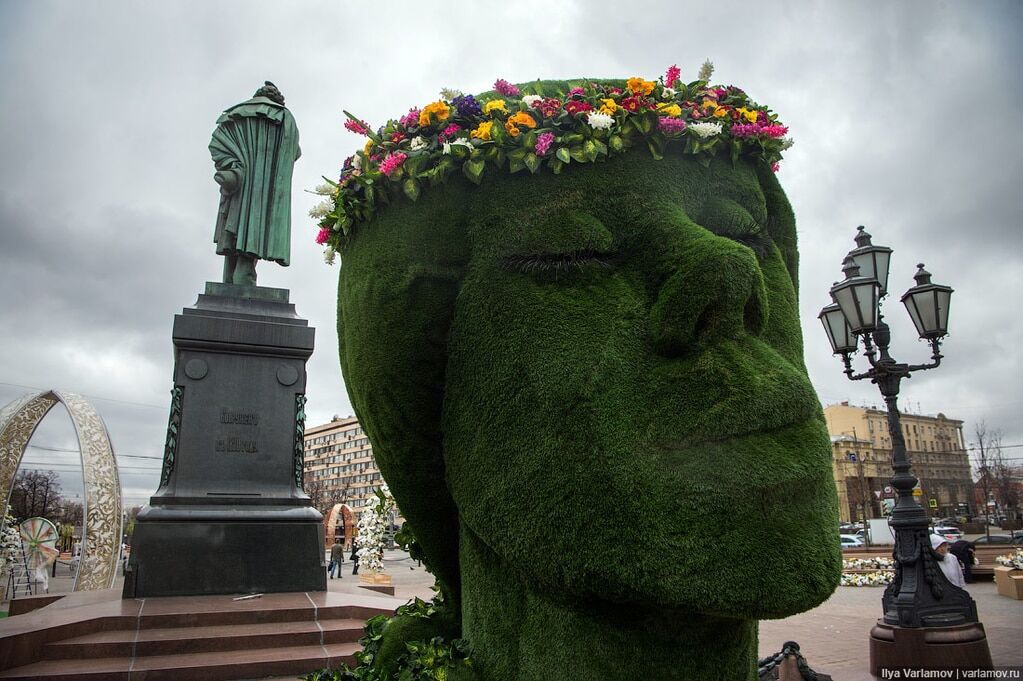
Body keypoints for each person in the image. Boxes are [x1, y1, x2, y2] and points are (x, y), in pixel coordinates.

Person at [209, 81, 301, 286]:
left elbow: (216, 143)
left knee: (235, 227)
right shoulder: (284, 118)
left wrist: (233, 163)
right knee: (253, 230)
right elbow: (294, 152)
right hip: (265, 189)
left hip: (238, 184)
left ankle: (229, 281)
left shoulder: (234, 115)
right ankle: (244, 278)